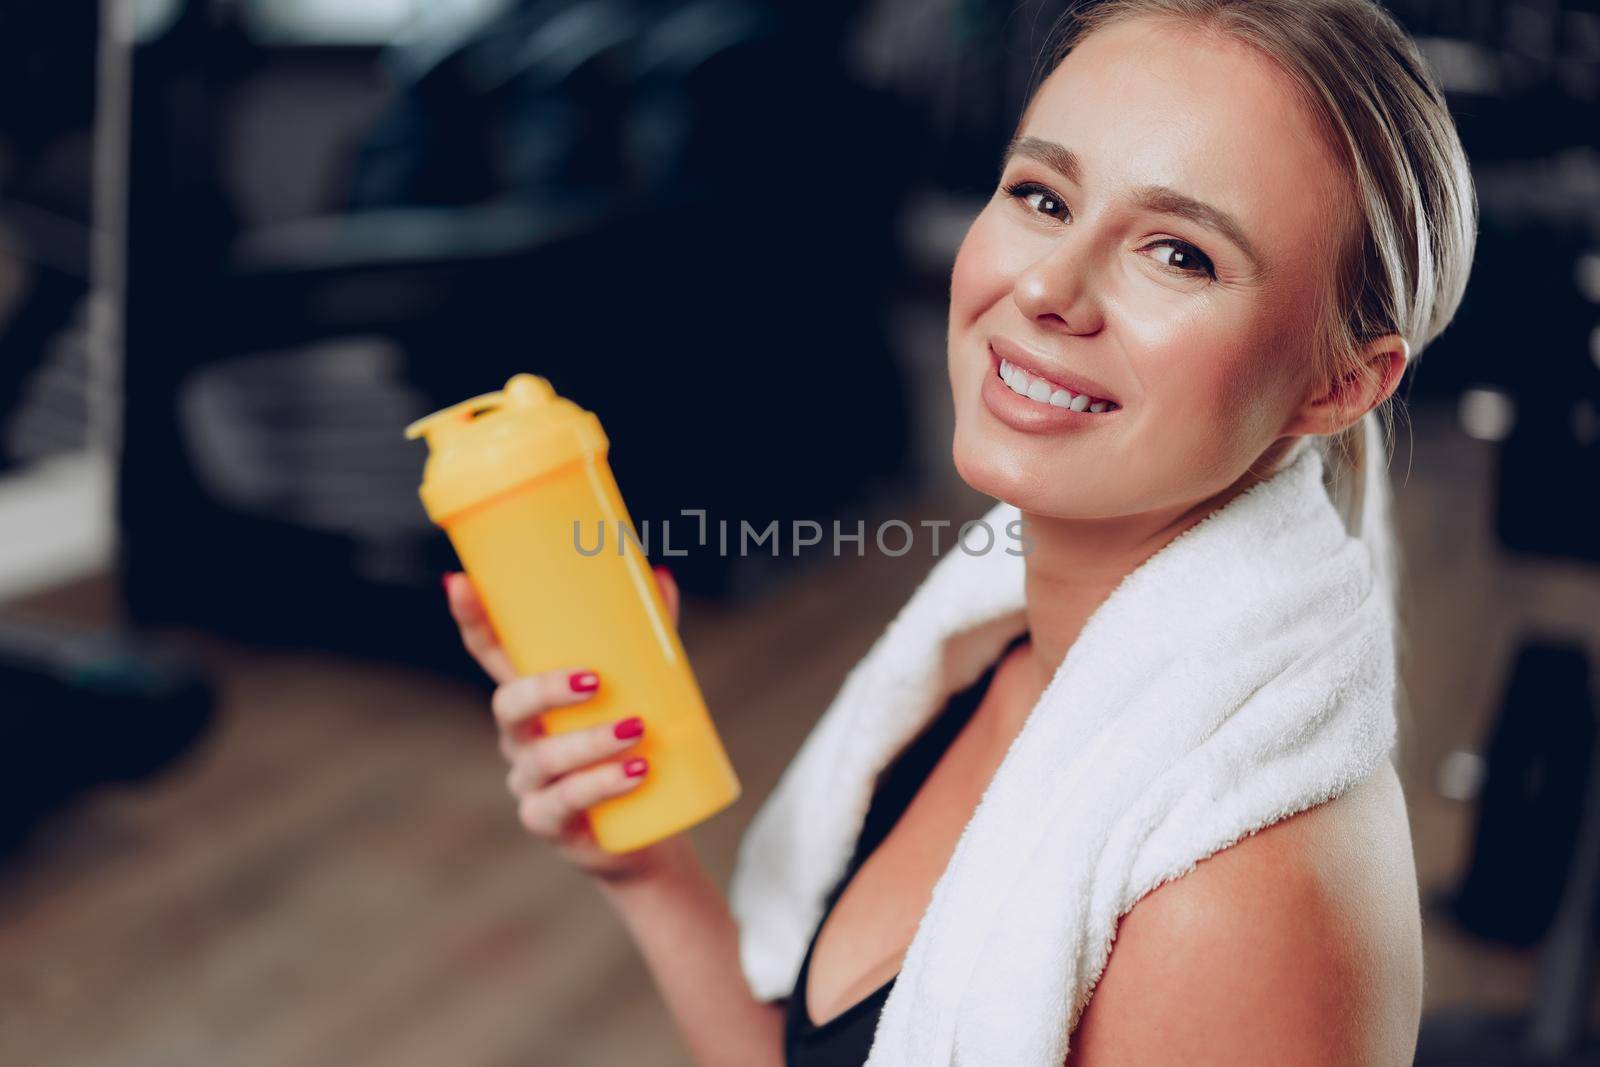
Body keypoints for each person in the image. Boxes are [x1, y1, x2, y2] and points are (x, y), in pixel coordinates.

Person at [440, 0, 1476, 1062]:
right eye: (1041, 195)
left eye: (1178, 254)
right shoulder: (1000, 658)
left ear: (1341, 382)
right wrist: (645, 866)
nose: (1045, 287)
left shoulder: (1243, 903)